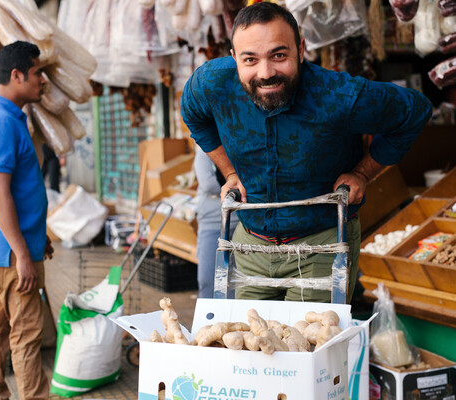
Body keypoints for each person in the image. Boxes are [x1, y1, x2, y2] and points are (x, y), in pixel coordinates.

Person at [180, 3, 432, 303]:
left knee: (310, 344)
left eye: (279, 55)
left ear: (301, 49)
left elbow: (415, 111)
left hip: (321, 244)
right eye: (250, 59)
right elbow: (193, 115)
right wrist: (230, 172)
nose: (266, 73)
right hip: (250, 244)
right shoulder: (211, 83)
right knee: (247, 344)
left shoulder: (338, 95)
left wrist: (363, 173)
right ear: (234, 58)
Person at [0, 41, 52, 399]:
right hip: (8, 254)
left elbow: (15, 191)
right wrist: (20, 252)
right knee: (27, 333)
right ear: (16, 76)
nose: (43, 81)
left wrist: (36, 236)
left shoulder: (6, 118)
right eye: (37, 73)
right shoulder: (1, 122)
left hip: (7, 249)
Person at [193, 145, 238, 298]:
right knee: (208, 279)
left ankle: (231, 320)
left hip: (240, 222)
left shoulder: (238, 149)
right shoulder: (205, 152)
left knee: (234, 280)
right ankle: (208, 318)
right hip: (212, 223)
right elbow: (207, 183)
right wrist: (236, 185)